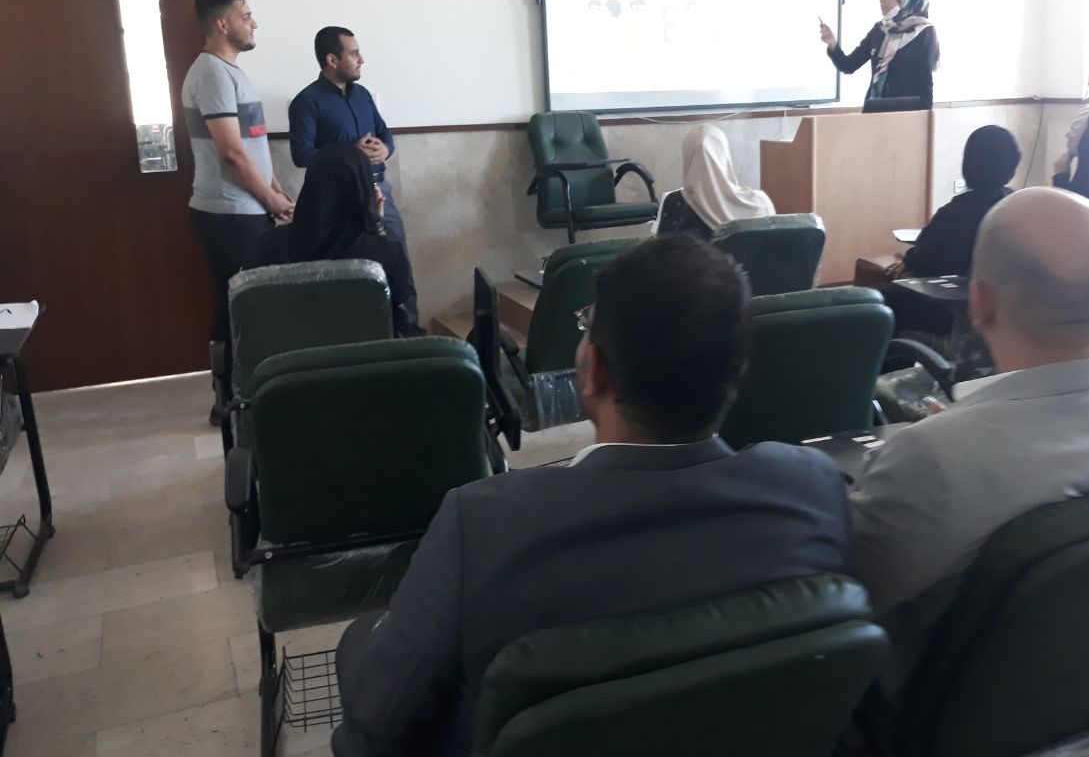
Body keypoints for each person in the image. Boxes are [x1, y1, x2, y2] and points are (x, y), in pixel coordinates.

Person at [331, 235, 857, 756]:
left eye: (586, 329)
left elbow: (372, 737)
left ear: (596, 371)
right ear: (738, 369)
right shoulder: (814, 490)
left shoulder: (483, 526)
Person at [850, 187, 1089, 686]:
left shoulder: (933, 461)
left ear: (980, 301)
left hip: (952, 707)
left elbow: (849, 598)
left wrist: (946, 440)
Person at [182, 0, 294, 403]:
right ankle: (230, 400)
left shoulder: (229, 71)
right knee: (239, 307)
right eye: (246, 16)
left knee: (245, 303)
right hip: (228, 212)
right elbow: (230, 152)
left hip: (247, 208)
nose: (254, 23)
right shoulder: (212, 73)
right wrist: (270, 198)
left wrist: (275, 191)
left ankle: (241, 396)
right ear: (223, 24)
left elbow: (251, 145)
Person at [288, 27, 417, 324]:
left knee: (397, 260)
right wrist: (350, 153)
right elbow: (301, 155)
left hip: (379, 191)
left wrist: (385, 149)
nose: (362, 59)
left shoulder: (363, 95)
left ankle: (408, 329)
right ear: (332, 60)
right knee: (351, 271)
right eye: (354, 53)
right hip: (339, 203)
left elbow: (384, 133)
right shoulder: (307, 101)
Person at [248, 144, 421, 335]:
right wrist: (376, 225)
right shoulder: (385, 253)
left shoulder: (270, 244)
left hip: (291, 352)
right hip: (365, 352)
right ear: (364, 188)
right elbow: (399, 296)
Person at [881, 126, 1022, 332]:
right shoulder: (1016, 204)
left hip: (949, 313)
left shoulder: (954, 214)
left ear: (969, 163)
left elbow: (923, 260)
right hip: (999, 315)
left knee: (877, 301)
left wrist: (908, 259)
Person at [819, 0, 939, 109]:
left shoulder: (924, 32)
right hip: (875, 111)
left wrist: (925, 118)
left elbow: (925, 84)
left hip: (906, 114)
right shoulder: (880, 29)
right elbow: (849, 65)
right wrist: (832, 44)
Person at [656, 125, 775, 238]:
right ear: (724, 156)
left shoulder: (675, 203)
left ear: (687, 156)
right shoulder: (760, 203)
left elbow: (661, 248)